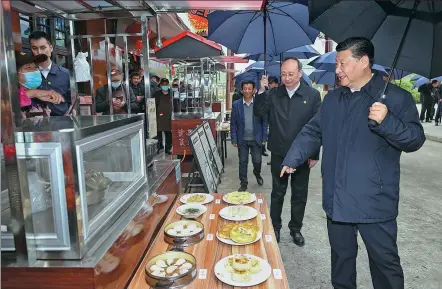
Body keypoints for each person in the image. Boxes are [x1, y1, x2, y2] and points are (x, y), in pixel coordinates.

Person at [280, 37, 425, 289]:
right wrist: (294, 157)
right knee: (341, 264)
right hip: (338, 200)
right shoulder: (334, 100)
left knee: (385, 267)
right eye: (337, 63)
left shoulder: (396, 98)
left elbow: (415, 139)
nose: (337, 70)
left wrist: (387, 121)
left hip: (375, 203)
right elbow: (313, 131)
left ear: (364, 61)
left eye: (343, 64)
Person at [254, 57, 322, 245]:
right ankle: (275, 226)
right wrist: (262, 89)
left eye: (291, 74)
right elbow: (258, 112)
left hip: (302, 154)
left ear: (300, 73)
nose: (287, 78)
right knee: (278, 192)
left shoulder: (312, 95)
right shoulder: (273, 94)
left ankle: (296, 229)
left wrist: (315, 154)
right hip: (279, 152)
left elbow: (318, 127)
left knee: (299, 194)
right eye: (283, 74)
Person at [231, 80, 268, 191]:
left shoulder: (259, 103)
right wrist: (234, 138)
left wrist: (264, 137)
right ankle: (243, 183)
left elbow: (264, 122)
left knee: (257, 161)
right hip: (242, 139)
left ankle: (257, 173)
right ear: (242, 90)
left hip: (256, 138)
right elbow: (233, 124)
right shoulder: (236, 105)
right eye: (245, 89)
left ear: (254, 90)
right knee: (243, 162)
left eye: (249, 89)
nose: (247, 91)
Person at [29, 31, 70, 116]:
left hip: (61, 123)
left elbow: (71, 101)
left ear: (51, 48)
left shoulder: (65, 74)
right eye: (35, 48)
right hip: (35, 123)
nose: (39, 52)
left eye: (43, 47)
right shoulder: (26, 74)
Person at [15, 51, 65, 118]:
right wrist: (35, 93)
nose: (34, 71)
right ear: (16, 74)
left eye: (36, 67)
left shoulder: (41, 97)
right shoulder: (8, 97)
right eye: (28, 68)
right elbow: (15, 99)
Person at [154, 78, 173, 154]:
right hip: (159, 116)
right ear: (160, 85)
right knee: (158, 132)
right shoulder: (156, 94)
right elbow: (152, 105)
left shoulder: (172, 93)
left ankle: (168, 148)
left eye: (166, 84)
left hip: (169, 116)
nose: (165, 86)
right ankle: (159, 147)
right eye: (163, 84)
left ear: (168, 85)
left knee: (168, 133)